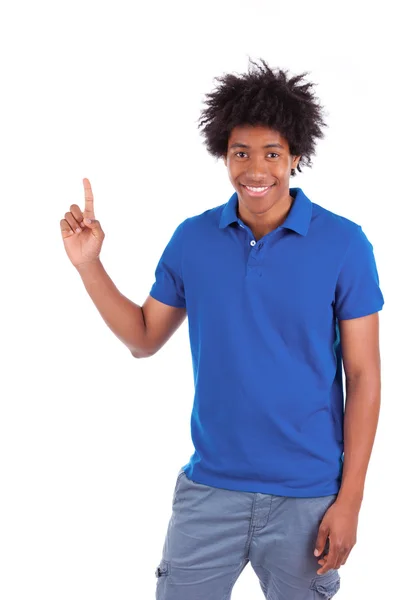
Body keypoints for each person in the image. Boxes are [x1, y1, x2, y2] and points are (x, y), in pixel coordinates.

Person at [60, 59, 384, 600]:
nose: (256, 169)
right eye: (241, 153)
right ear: (224, 155)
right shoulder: (193, 240)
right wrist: (89, 264)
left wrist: (349, 500)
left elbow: (364, 377)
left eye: (272, 153)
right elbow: (143, 338)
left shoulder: (345, 244)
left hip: (307, 499)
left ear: (297, 156)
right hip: (209, 492)